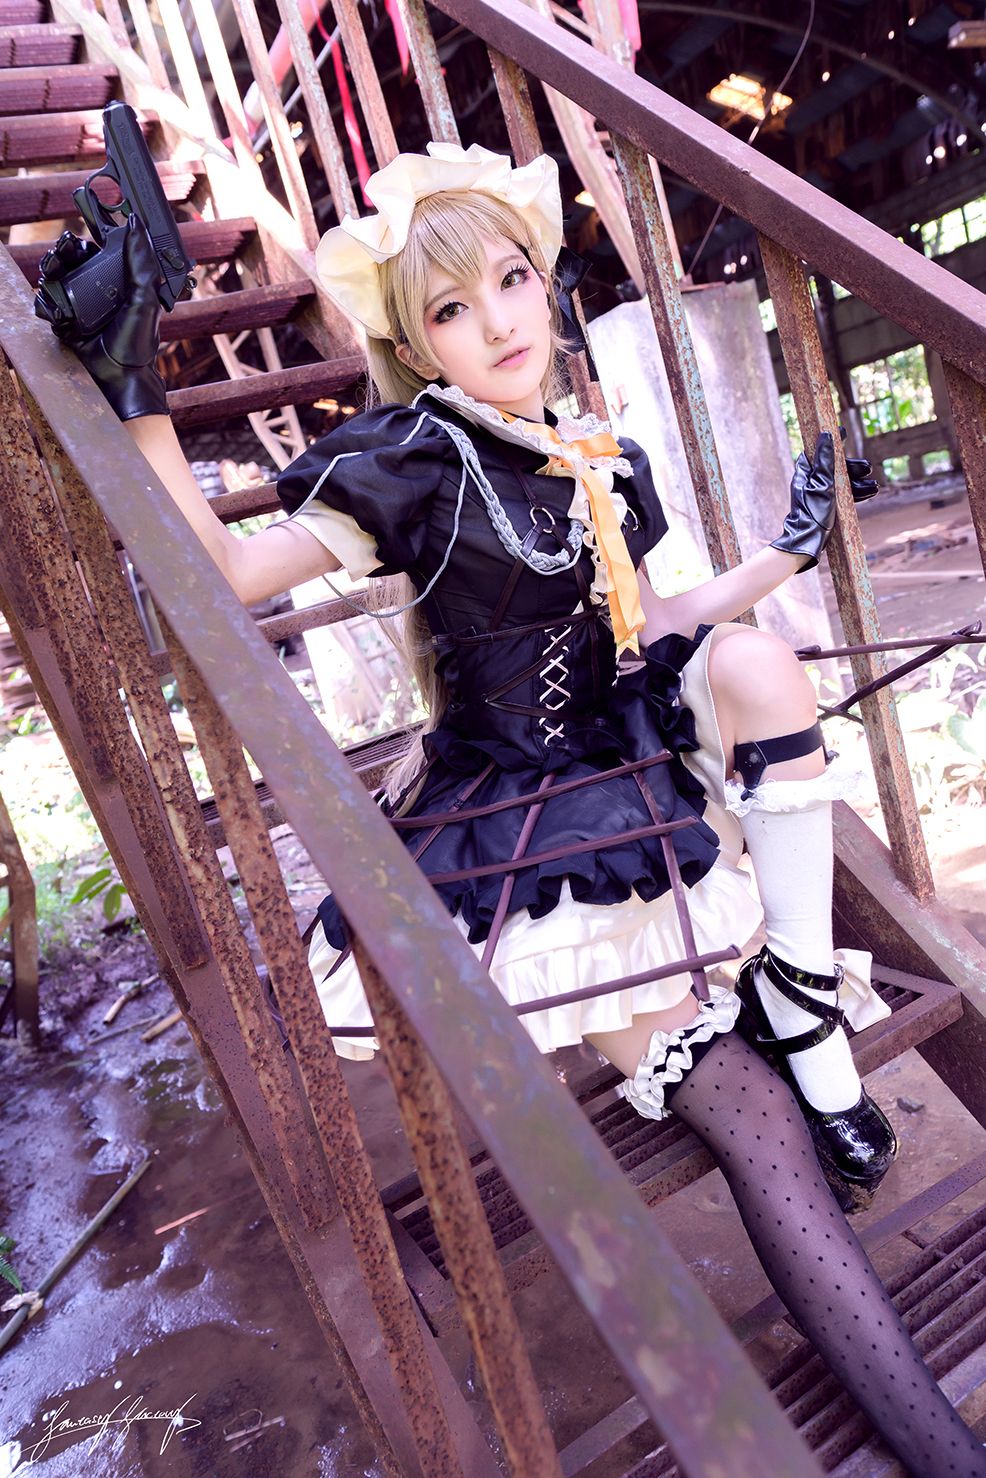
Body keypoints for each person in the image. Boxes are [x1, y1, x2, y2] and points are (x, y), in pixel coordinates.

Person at [37, 142, 986, 1476]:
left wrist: (778, 558)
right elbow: (234, 572)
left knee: (760, 662)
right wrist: (138, 386)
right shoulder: (413, 459)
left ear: (545, 281)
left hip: (631, 763)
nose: (497, 322)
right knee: (756, 1117)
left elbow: (648, 620)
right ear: (413, 342)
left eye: (513, 279)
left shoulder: (593, 450)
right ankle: (936, 1446)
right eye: (451, 307)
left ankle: (800, 996)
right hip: (529, 840)